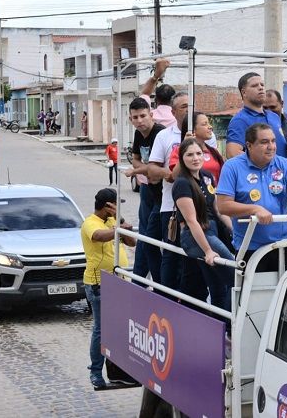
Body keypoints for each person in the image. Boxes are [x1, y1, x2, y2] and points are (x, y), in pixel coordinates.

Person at [217, 123, 287, 272]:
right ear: (249, 145)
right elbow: (223, 206)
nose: (271, 146)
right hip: (249, 248)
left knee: (281, 294)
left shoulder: (283, 163)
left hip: (281, 245)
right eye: (264, 142)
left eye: (273, 141)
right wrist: (255, 209)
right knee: (251, 295)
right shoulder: (232, 167)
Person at [147, 92, 213, 298]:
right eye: (184, 106)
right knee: (173, 255)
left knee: (199, 261)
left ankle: (198, 299)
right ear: (173, 111)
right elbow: (161, 174)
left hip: (208, 208)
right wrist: (183, 150)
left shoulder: (208, 139)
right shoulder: (165, 136)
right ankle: (168, 297)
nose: (188, 110)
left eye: (191, 106)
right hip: (173, 207)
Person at [80, 188, 136, 388]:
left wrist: (120, 222)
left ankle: (118, 371)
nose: (117, 208)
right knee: (101, 329)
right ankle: (95, 372)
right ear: (107, 206)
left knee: (120, 328)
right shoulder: (90, 223)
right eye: (115, 205)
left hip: (120, 282)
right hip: (99, 284)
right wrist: (119, 229)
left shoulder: (114, 221)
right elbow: (100, 236)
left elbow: (132, 242)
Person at [172, 138, 235, 311]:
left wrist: (234, 231)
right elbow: (191, 221)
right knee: (236, 277)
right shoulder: (182, 183)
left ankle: (220, 325)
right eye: (190, 155)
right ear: (182, 158)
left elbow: (218, 210)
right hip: (195, 235)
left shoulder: (207, 177)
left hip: (212, 230)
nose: (195, 158)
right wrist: (208, 250)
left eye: (199, 153)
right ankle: (231, 324)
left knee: (217, 286)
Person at [123, 97, 165, 284]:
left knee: (153, 241)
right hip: (149, 189)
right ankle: (140, 281)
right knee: (145, 239)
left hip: (164, 195)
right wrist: (144, 169)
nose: (139, 121)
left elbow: (155, 168)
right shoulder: (139, 133)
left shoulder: (160, 134)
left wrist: (138, 170)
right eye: (135, 117)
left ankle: (160, 285)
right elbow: (137, 159)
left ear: (151, 114)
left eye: (142, 116)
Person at [225, 72, 287, 159]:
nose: (261, 88)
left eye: (262, 85)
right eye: (255, 86)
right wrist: (263, 166)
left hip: (283, 171)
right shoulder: (240, 120)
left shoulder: (274, 116)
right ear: (244, 92)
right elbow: (232, 153)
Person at [168, 112, 224, 184]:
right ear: (193, 129)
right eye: (204, 124)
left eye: (209, 123)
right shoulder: (179, 150)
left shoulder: (213, 151)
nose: (210, 127)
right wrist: (185, 149)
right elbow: (174, 176)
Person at [139, 58, 176, 127]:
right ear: (172, 101)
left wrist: (156, 76)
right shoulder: (177, 118)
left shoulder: (150, 116)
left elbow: (144, 94)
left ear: (156, 100)